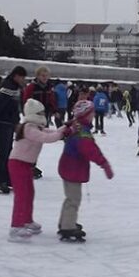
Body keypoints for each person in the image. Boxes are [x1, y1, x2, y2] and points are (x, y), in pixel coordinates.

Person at [7, 98, 73, 242]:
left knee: (29, 193)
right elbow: (47, 138)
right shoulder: (29, 128)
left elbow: (52, 132)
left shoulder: (36, 127)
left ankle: (26, 220)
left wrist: (66, 126)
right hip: (17, 164)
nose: (44, 114)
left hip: (26, 165)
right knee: (22, 195)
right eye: (41, 112)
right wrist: (62, 134)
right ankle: (16, 226)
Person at [57, 100, 114, 242]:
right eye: (92, 112)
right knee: (73, 199)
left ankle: (65, 222)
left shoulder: (77, 126)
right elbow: (91, 150)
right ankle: (67, 227)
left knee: (70, 198)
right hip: (73, 168)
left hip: (69, 166)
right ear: (86, 115)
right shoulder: (82, 132)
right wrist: (104, 164)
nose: (94, 115)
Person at [0, 66, 26, 194]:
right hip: (3, 123)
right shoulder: (8, 87)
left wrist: (16, 122)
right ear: (16, 76)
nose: (23, 80)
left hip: (8, 123)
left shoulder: (14, 87)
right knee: (3, 152)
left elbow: (14, 108)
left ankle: (6, 178)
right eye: (22, 77)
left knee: (8, 151)